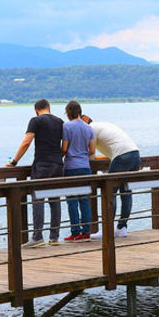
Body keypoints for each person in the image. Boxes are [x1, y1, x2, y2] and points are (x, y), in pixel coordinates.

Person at [7, 99, 64, 248]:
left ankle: (37, 236)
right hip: (58, 164)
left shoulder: (36, 120)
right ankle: (54, 237)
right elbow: (65, 144)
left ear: (36, 110)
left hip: (43, 163)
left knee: (38, 199)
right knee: (55, 199)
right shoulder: (60, 121)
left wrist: (14, 161)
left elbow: (26, 142)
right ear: (49, 108)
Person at [85, 115, 141, 239]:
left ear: (85, 121)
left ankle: (107, 229)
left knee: (109, 192)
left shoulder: (91, 128)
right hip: (135, 155)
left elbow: (91, 154)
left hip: (121, 156)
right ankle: (122, 227)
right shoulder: (103, 125)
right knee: (126, 192)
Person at [61, 101, 96, 243]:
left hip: (71, 167)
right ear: (80, 112)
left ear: (69, 112)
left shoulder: (66, 126)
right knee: (84, 200)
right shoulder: (89, 128)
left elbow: (64, 149)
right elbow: (92, 150)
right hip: (85, 167)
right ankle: (86, 232)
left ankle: (75, 232)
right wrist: (82, 156)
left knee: (72, 201)